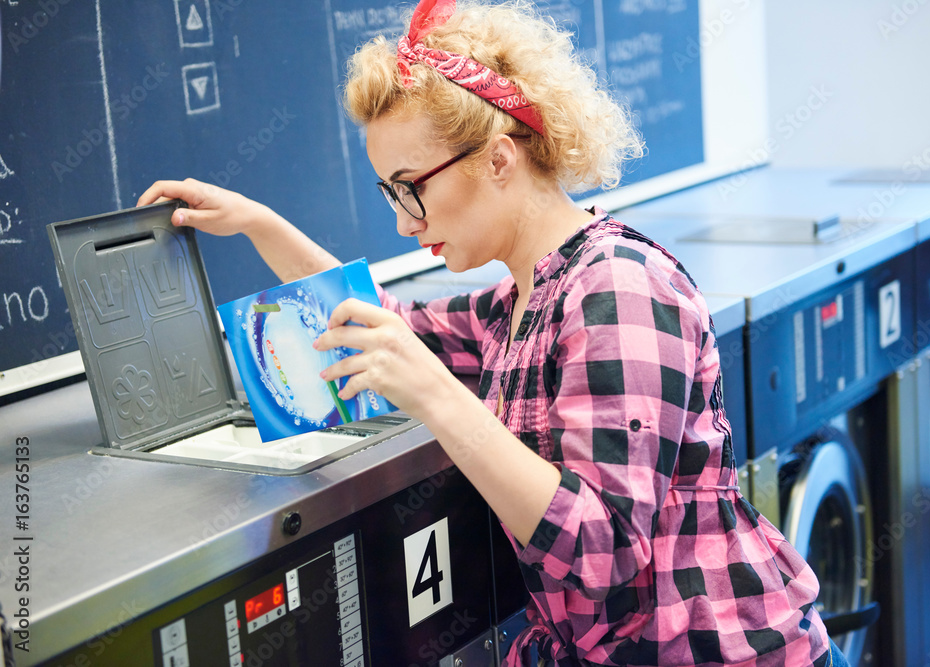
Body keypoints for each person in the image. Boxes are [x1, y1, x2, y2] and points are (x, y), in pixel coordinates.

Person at [139, 0, 850, 664]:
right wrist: (258, 222)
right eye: (390, 193)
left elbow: (603, 553)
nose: (403, 222)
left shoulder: (617, 290)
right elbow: (371, 317)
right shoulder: (522, 298)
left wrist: (440, 399)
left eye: (410, 186)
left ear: (499, 159)